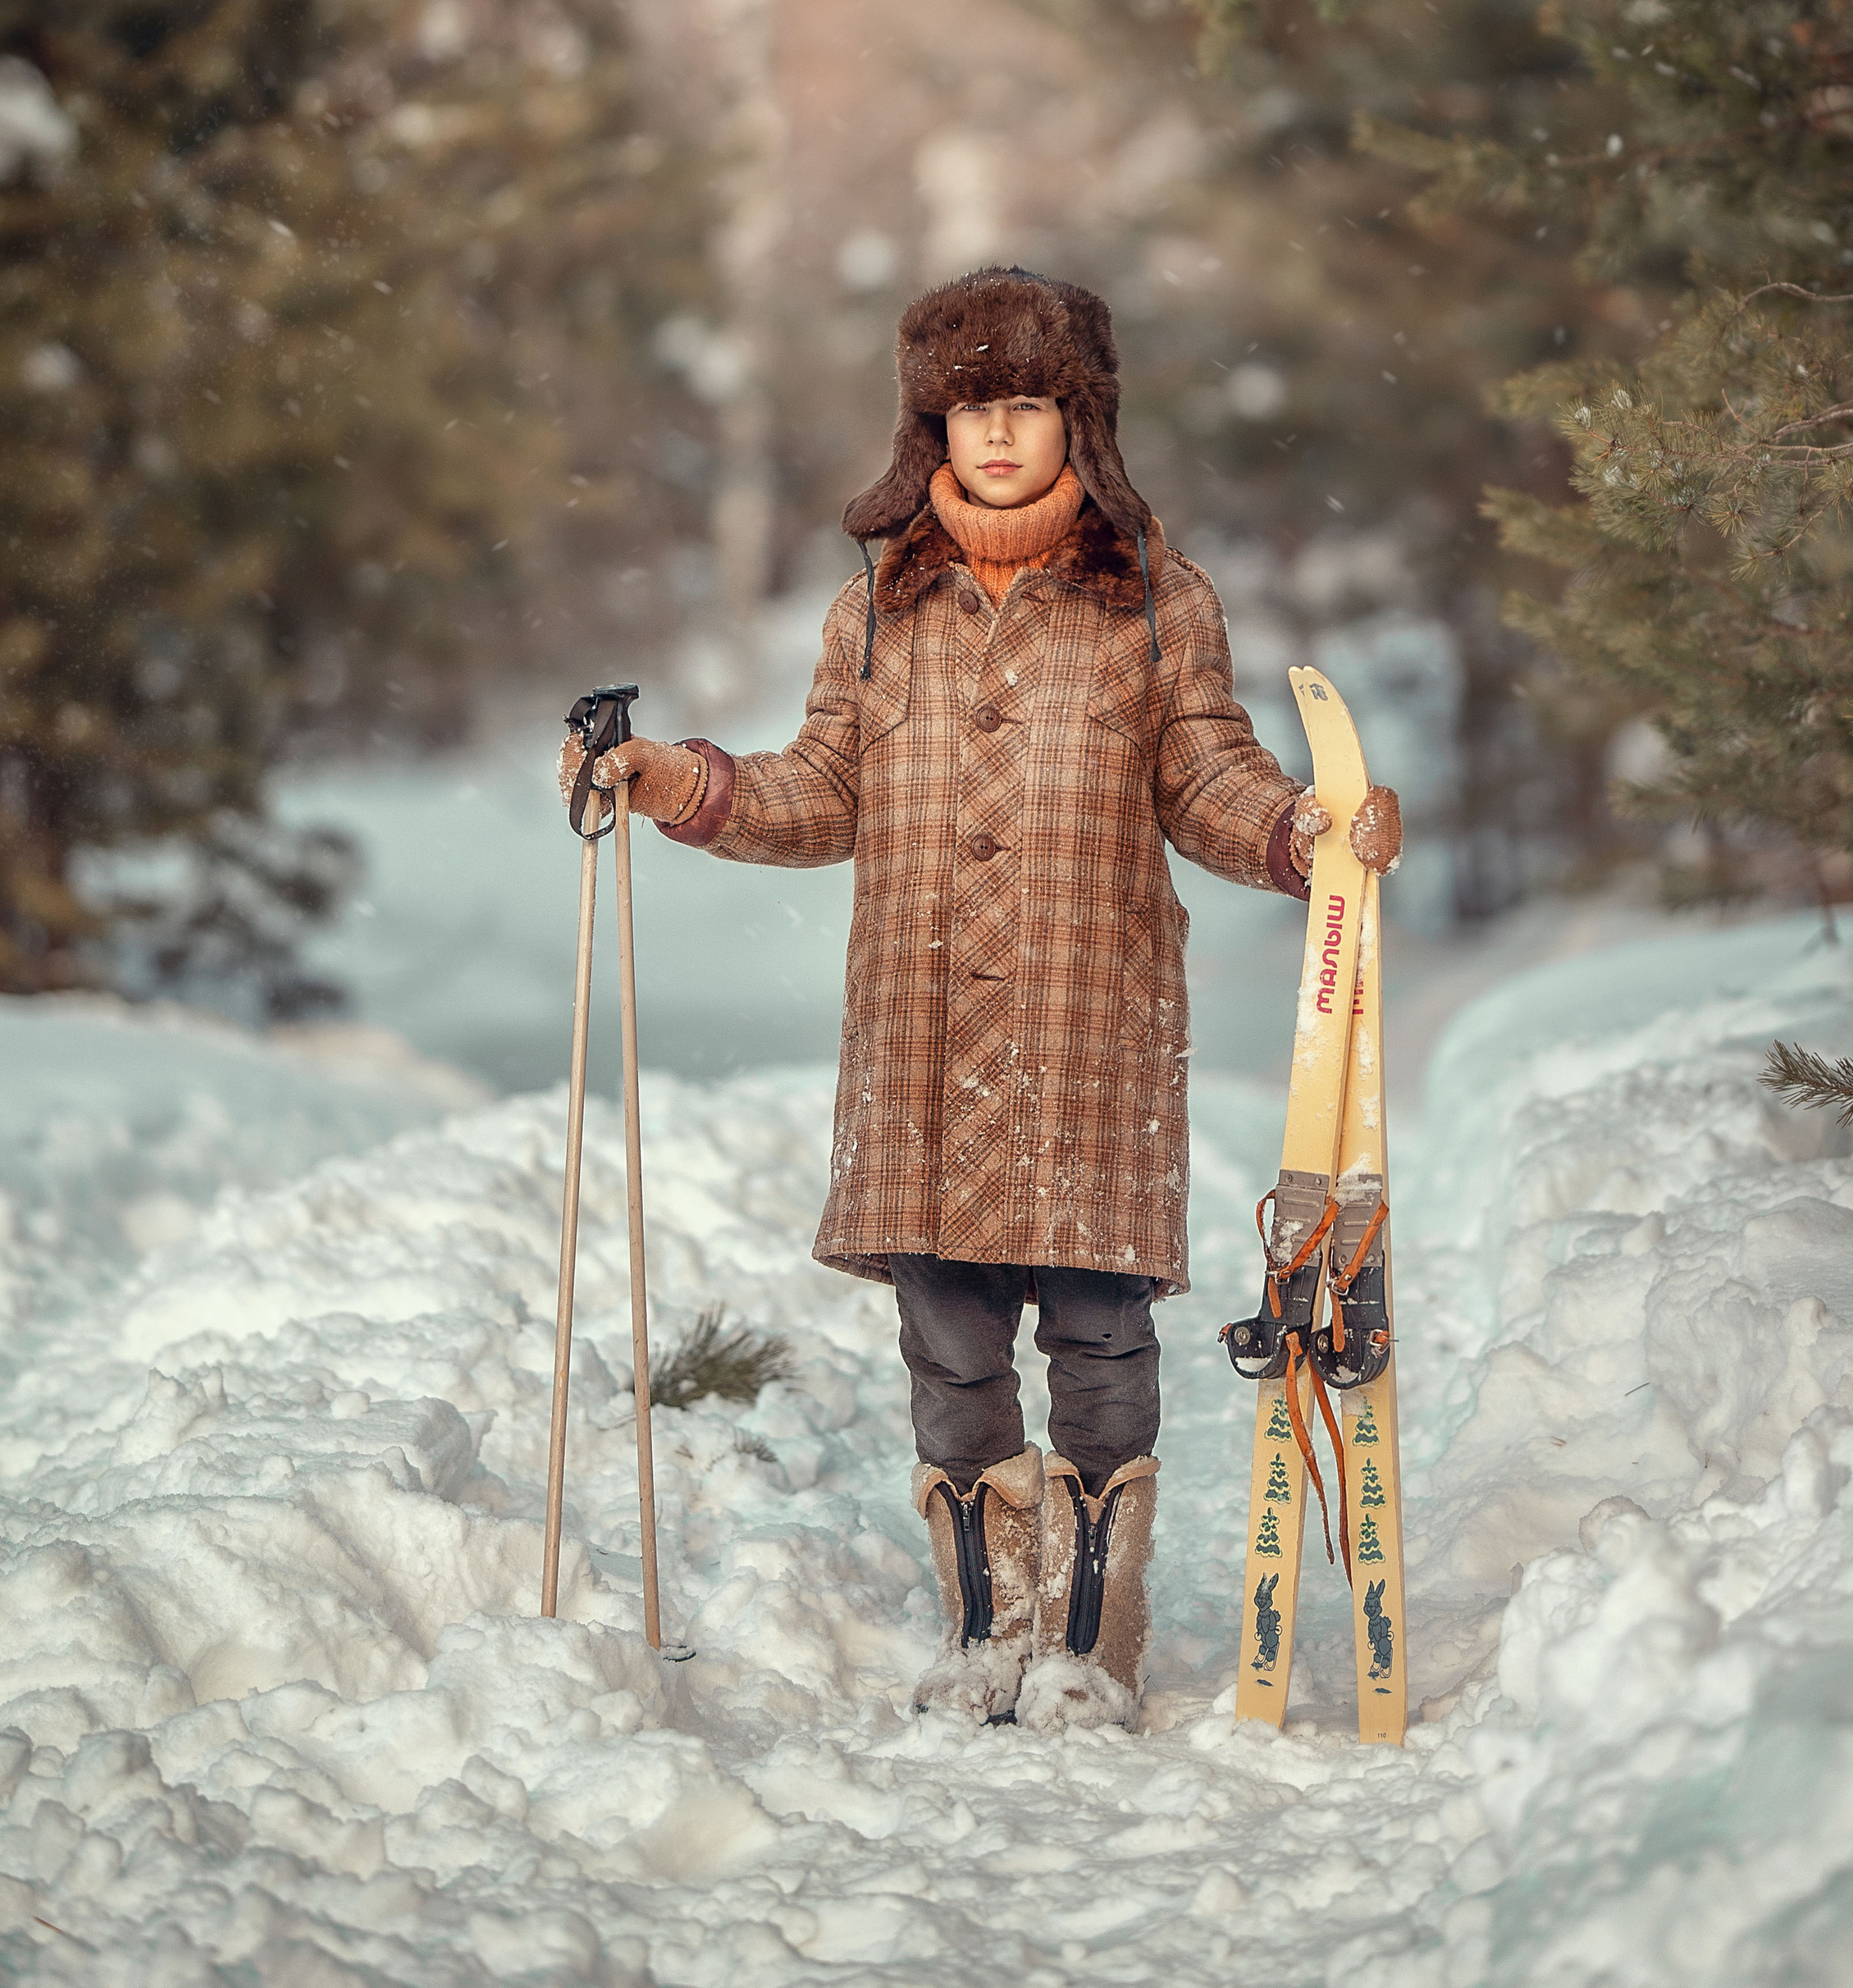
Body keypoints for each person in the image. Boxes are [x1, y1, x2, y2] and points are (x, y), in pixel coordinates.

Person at [559, 267, 1402, 1730]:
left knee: (1099, 1331)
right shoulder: (879, 609)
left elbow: (1204, 774)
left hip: (1092, 1018)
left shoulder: (1153, 597)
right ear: (929, 425)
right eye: (969, 408)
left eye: (1026, 404)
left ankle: (1089, 1633)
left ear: (1078, 417)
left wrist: (1304, 835)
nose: (997, 434)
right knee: (948, 1339)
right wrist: (680, 783)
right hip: (924, 1023)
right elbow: (822, 787)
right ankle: (982, 1623)